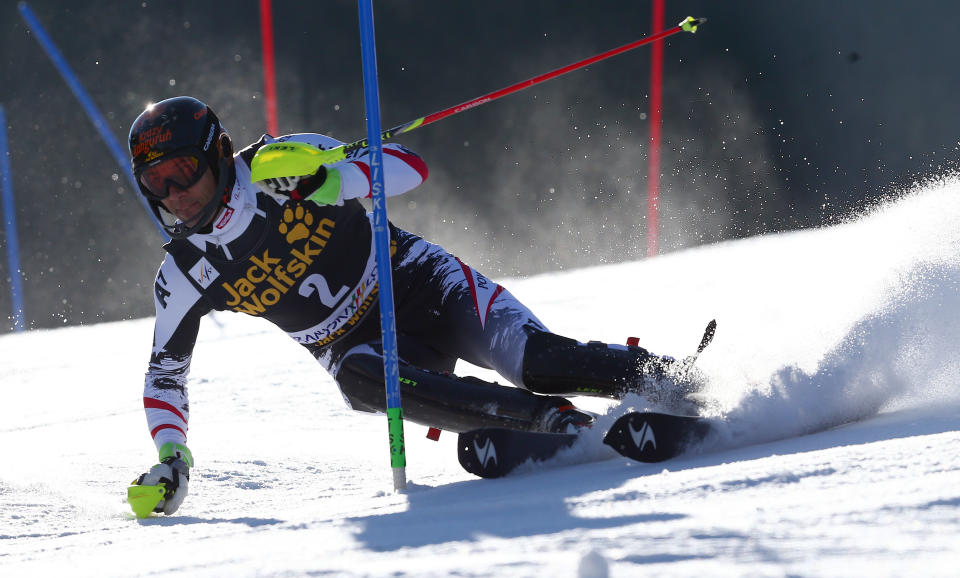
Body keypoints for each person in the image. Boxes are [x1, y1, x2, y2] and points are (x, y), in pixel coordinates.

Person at [127, 96, 694, 516]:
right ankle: (551, 423)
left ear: (217, 155)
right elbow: (164, 377)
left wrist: (338, 179)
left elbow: (407, 166)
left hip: (422, 283)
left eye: (183, 172)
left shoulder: (277, 164)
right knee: (359, 380)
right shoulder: (182, 274)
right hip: (363, 349)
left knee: (539, 362)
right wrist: (173, 457)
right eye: (157, 182)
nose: (176, 195)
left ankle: (674, 381)